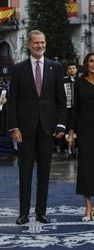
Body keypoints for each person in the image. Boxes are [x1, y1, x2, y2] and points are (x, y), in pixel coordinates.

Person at [9, 30, 67, 225]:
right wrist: (14, 127)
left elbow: (61, 100)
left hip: (47, 128)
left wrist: (61, 124)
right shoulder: (18, 69)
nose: (39, 46)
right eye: (36, 43)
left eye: (42, 42)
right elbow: (12, 102)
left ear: (45, 44)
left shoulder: (56, 67)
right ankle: (23, 213)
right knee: (24, 171)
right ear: (28, 45)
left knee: (44, 172)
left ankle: (41, 212)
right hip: (24, 129)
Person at [67, 52, 94, 222]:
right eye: (91, 61)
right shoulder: (78, 83)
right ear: (86, 63)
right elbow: (74, 109)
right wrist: (71, 132)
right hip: (85, 130)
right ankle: (88, 207)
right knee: (86, 167)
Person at [63, 62, 78, 160]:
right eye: (70, 68)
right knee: (68, 130)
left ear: (76, 69)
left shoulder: (81, 80)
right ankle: (70, 150)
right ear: (67, 70)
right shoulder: (63, 81)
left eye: (73, 68)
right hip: (67, 109)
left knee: (77, 129)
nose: (72, 70)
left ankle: (75, 149)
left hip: (79, 110)